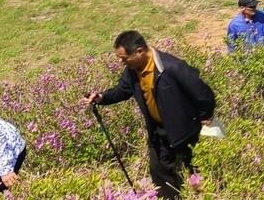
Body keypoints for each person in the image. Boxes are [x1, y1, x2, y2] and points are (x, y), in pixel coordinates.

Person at [85, 31, 216, 198]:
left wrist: (201, 119)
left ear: (139, 51)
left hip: (184, 133)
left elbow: (204, 96)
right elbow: (122, 90)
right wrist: (102, 97)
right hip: (158, 132)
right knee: (160, 176)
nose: (121, 62)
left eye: (124, 58)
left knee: (195, 176)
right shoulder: (132, 70)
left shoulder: (172, 67)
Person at [0, 117, 25, 194]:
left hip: (11, 151)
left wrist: (6, 172)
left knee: (5, 183)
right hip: (4, 145)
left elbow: (1, 143)